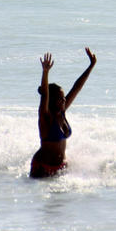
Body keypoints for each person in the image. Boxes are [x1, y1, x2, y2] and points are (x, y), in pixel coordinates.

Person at [29, 47, 97, 178]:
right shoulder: (46, 117)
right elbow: (44, 95)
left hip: (60, 167)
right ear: (53, 100)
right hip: (43, 167)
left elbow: (77, 87)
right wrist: (45, 72)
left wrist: (91, 66)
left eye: (64, 97)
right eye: (61, 98)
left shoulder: (62, 111)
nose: (64, 99)